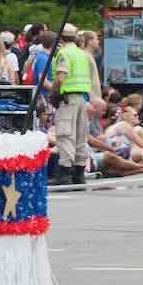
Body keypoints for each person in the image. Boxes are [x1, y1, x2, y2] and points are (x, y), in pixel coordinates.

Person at [49, 24, 93, 185]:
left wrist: (54, 93)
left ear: (60, 37)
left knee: (65, 135)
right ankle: (79, 173)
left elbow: (61, 77)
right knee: (80, 135)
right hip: (82, 98)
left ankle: (65, 173)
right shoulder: (81, 54)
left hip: (67, 97)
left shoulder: (64, 53)